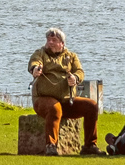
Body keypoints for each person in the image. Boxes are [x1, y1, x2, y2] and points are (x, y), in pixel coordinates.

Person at [29, 28, 101, 156]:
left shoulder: (71, 56)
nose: (50, 42)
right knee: (55, 108)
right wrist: (35, 69)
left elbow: (80, 71)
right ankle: (51, 145)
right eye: (48, 40)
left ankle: (90, 145)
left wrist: (75, 78)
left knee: (92, 106)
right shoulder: (40, 53)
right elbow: (34, 62)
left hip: (68, 100)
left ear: (62, 43)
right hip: (43, 101)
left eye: (54, 40)